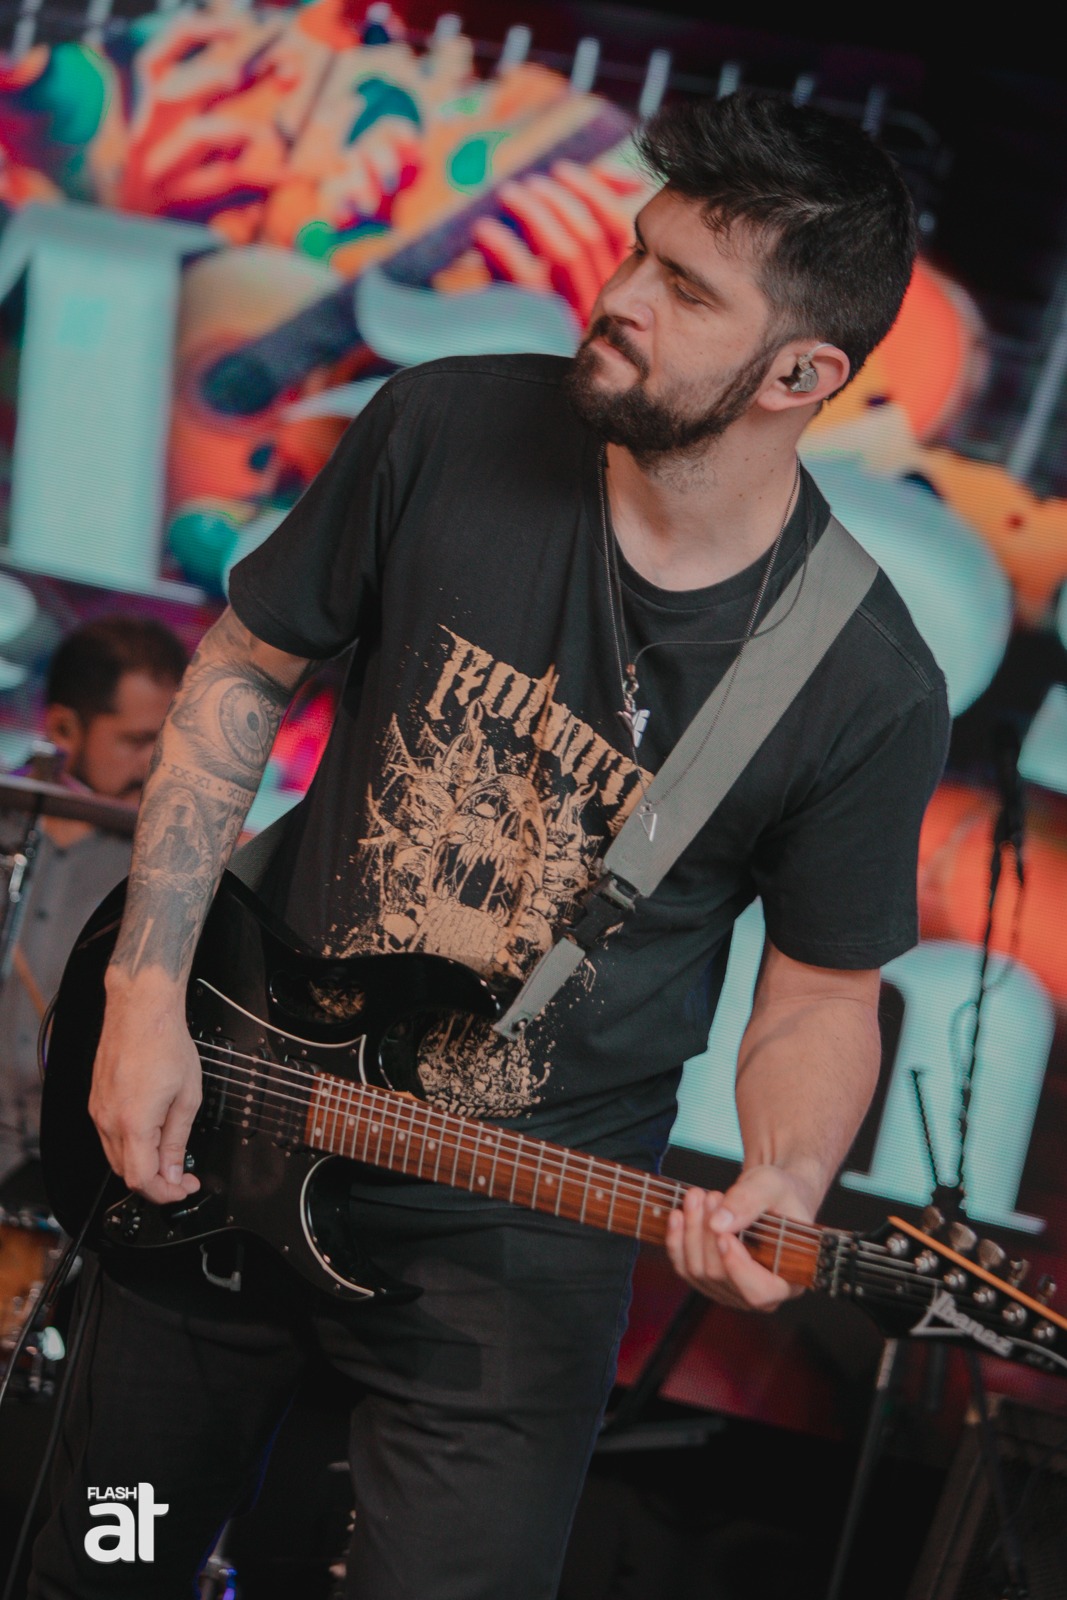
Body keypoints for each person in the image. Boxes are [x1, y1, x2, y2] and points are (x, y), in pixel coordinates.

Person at [30, 93, 948, 1598]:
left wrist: (784, 1173)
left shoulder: (860, 682)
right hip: (224, 1130)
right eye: (637, 253)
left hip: (507, 1262)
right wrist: (143, 997)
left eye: (686, 290)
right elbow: (246, 668)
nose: (621, 297)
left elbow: (819, 991)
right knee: (103, 1556)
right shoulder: (444, 426)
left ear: (802, 374)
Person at [0, 616, 187, 1190]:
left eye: (168, 741)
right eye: (135, 740)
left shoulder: (168, 869)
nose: (155, 764)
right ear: (63, 726)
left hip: (71, 1181)